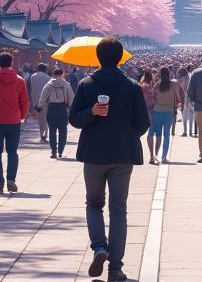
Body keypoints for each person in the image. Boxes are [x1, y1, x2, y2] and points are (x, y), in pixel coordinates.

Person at [70, 37, 150, 282]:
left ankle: (99, 248)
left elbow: (74, 119)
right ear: (120, 57)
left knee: (94, 204)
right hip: (122, 155)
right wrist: (125, 135)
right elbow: (143, 124)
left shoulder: (86, 84)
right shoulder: (133, 86)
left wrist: (91, 113)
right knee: (119, 210)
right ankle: (115, 269)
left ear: (98, 57)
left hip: (94, 154)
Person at [0, 52, 29, 194]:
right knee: (12, 152)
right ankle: (11, 179)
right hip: (14, 121)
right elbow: (25, 102)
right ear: (11, 62)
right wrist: (21, 116)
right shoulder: (19, 80)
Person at [38, 67, 74, 159]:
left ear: (53, 74)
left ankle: (53, 151)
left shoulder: (48, 85)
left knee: (52, 131)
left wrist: (41, 106)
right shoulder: (66, 85)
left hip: (51, 109)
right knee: (63, 131)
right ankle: (61, 151)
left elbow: (42, 99)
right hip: (62, 109)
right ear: (62, 74)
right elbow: (71, 99)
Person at [149, 67, 182, 165]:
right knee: (166, 135)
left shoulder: (157, 85)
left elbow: (153, 97)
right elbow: (178, 97)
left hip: (157, 111)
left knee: (158, 134)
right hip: (169, 111)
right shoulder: (174, 84)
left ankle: (155, 155)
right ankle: (164, 156)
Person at [29, 64, 51, 142]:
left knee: (40, 119)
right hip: (45, 101)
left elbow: (32, 89)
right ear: (45, 69)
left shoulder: (32, 77)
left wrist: (32, 102)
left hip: (36, 100)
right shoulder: (48, 77)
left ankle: (41, 135)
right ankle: (45, 134)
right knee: (45, 119)